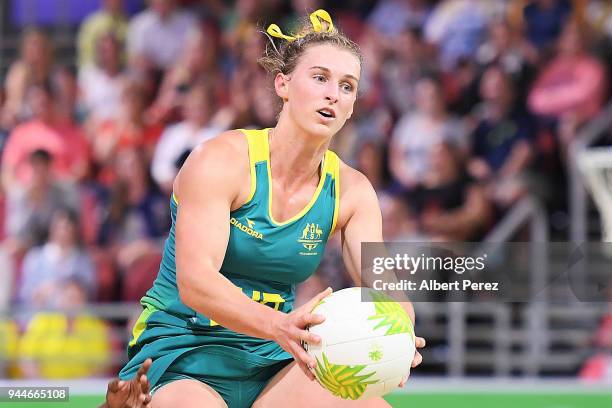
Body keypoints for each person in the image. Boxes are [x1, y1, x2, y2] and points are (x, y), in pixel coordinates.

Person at [118, 10, 425, 408]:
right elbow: (195, 283)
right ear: (283, 85)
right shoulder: (222, 161)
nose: (334, 93)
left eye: (347, 86)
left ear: (352, 106)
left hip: (275, 355)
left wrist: (401, 330)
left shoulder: (353, 191)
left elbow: (383, 282)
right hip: (182, 347)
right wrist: (278, 324)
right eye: (320, 78)